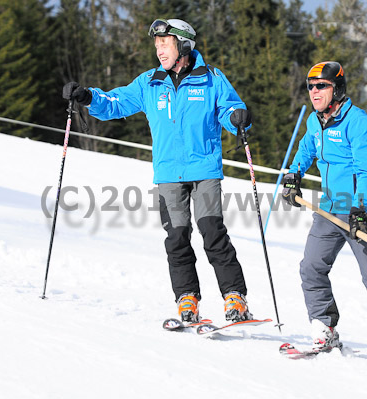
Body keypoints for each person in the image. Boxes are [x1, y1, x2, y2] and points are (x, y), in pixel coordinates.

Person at [62, 18, 253, 324]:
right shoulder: (149, 83)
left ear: (184, 45)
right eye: (156, 45)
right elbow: (115, 102)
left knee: (212, 233)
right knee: (176, 238)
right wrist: (88, 97)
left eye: (165, 44)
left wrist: (238, 117)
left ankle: (235, 297)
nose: (159, 50)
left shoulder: (211, 79)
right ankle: (187, 299)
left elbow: (230, 108)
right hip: (168, 174)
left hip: (204, 169)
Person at [281, 61, 367, 374]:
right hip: (330, 209)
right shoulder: (315, 122)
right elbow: (307, 149)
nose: (314, 92)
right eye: (310, 86)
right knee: (311, 268)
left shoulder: (359, 124)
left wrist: (359, 207)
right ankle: (325, 330)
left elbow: (366, 169)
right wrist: (293, 174)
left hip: (364, 212)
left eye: (321, 86)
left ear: (337, 89)